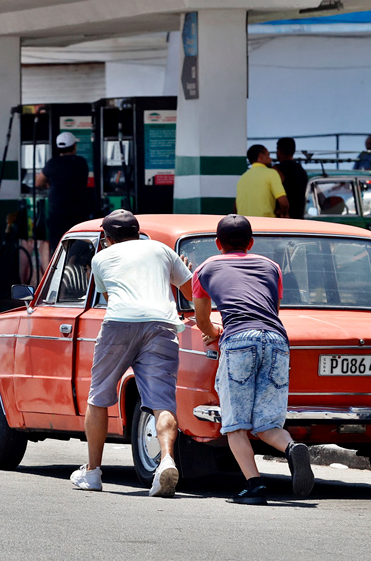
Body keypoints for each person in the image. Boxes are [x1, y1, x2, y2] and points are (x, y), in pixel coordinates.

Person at [191, 215, 314, 505]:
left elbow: (201, 318)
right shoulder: (271, 267)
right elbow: (274, 308)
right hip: (276, 340)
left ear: (218, 243)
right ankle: (291, 447)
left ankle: (254, 485)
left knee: (235, 424)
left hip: (238, 340)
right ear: (251, 243)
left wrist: (213, 333)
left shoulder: (205, 268)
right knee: (267, 423)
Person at [70, 210, 193, 497]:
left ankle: (93, 473)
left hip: (119, 323)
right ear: (138, 232)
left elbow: (114, 299)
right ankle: (165, 461)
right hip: (162, 325)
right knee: (162, 402)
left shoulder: (100, 258)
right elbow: (191, 290)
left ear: (107, 237)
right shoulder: (162, 250)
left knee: (99, 395)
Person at [36, 132, 93, 254]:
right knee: (79, 249)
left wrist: (49, 183)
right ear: (74, 146)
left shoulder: (52, 163)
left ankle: (59, 272)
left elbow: (38, 182)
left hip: (57, 215)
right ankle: (77, 272)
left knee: (58, 249)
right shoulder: (81, 163)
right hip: (78, 213)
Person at [235, 145, 288, 218]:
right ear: (260, 156)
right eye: (268, 155)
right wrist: (284, 213)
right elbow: (283, 203)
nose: (270, 159)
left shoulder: (243, 178)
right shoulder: (271, 173)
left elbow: (235, 208)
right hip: (264, 224)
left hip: (245, 225)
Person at [273, 137, 308, 220]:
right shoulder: (301, 171)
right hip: (299, 219)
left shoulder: (276, 171)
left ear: (279, 151)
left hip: (283, 219)